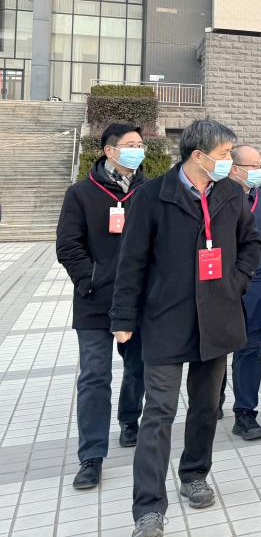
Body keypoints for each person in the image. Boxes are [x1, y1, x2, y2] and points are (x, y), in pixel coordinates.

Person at [110, 119, 261, 537]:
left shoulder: (230, 193)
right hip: (166, 319)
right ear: (198, 156)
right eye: (224, 154)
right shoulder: (152, 197)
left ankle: (194, 474)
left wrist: (236, 281)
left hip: (216, 317)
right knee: (159, 411)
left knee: (206, 405)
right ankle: (148, 508)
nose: (229, 161)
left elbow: (252, 243)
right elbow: (131, 262)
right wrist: (123, 318)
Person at [56, 123, 147, 490]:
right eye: (130, 144)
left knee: (138, 366)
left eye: (140, 144)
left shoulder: (149, 191)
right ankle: (91, 456)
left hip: (138, 301)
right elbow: (68, 245)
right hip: (94, 302)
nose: (138, 149)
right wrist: (90, 279)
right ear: (109, 151)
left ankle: (129, 418)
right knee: (94, 376)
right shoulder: (81, 193)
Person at [218, 145, 261, 440]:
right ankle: (213, 398)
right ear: (234, 169)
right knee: (217, 351)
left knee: (250, 351)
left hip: (257, 287)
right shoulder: (214, 197)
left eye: (260, 165)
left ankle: (245, 413)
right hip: (221, 289)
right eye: (252, 166)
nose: (259, 171)